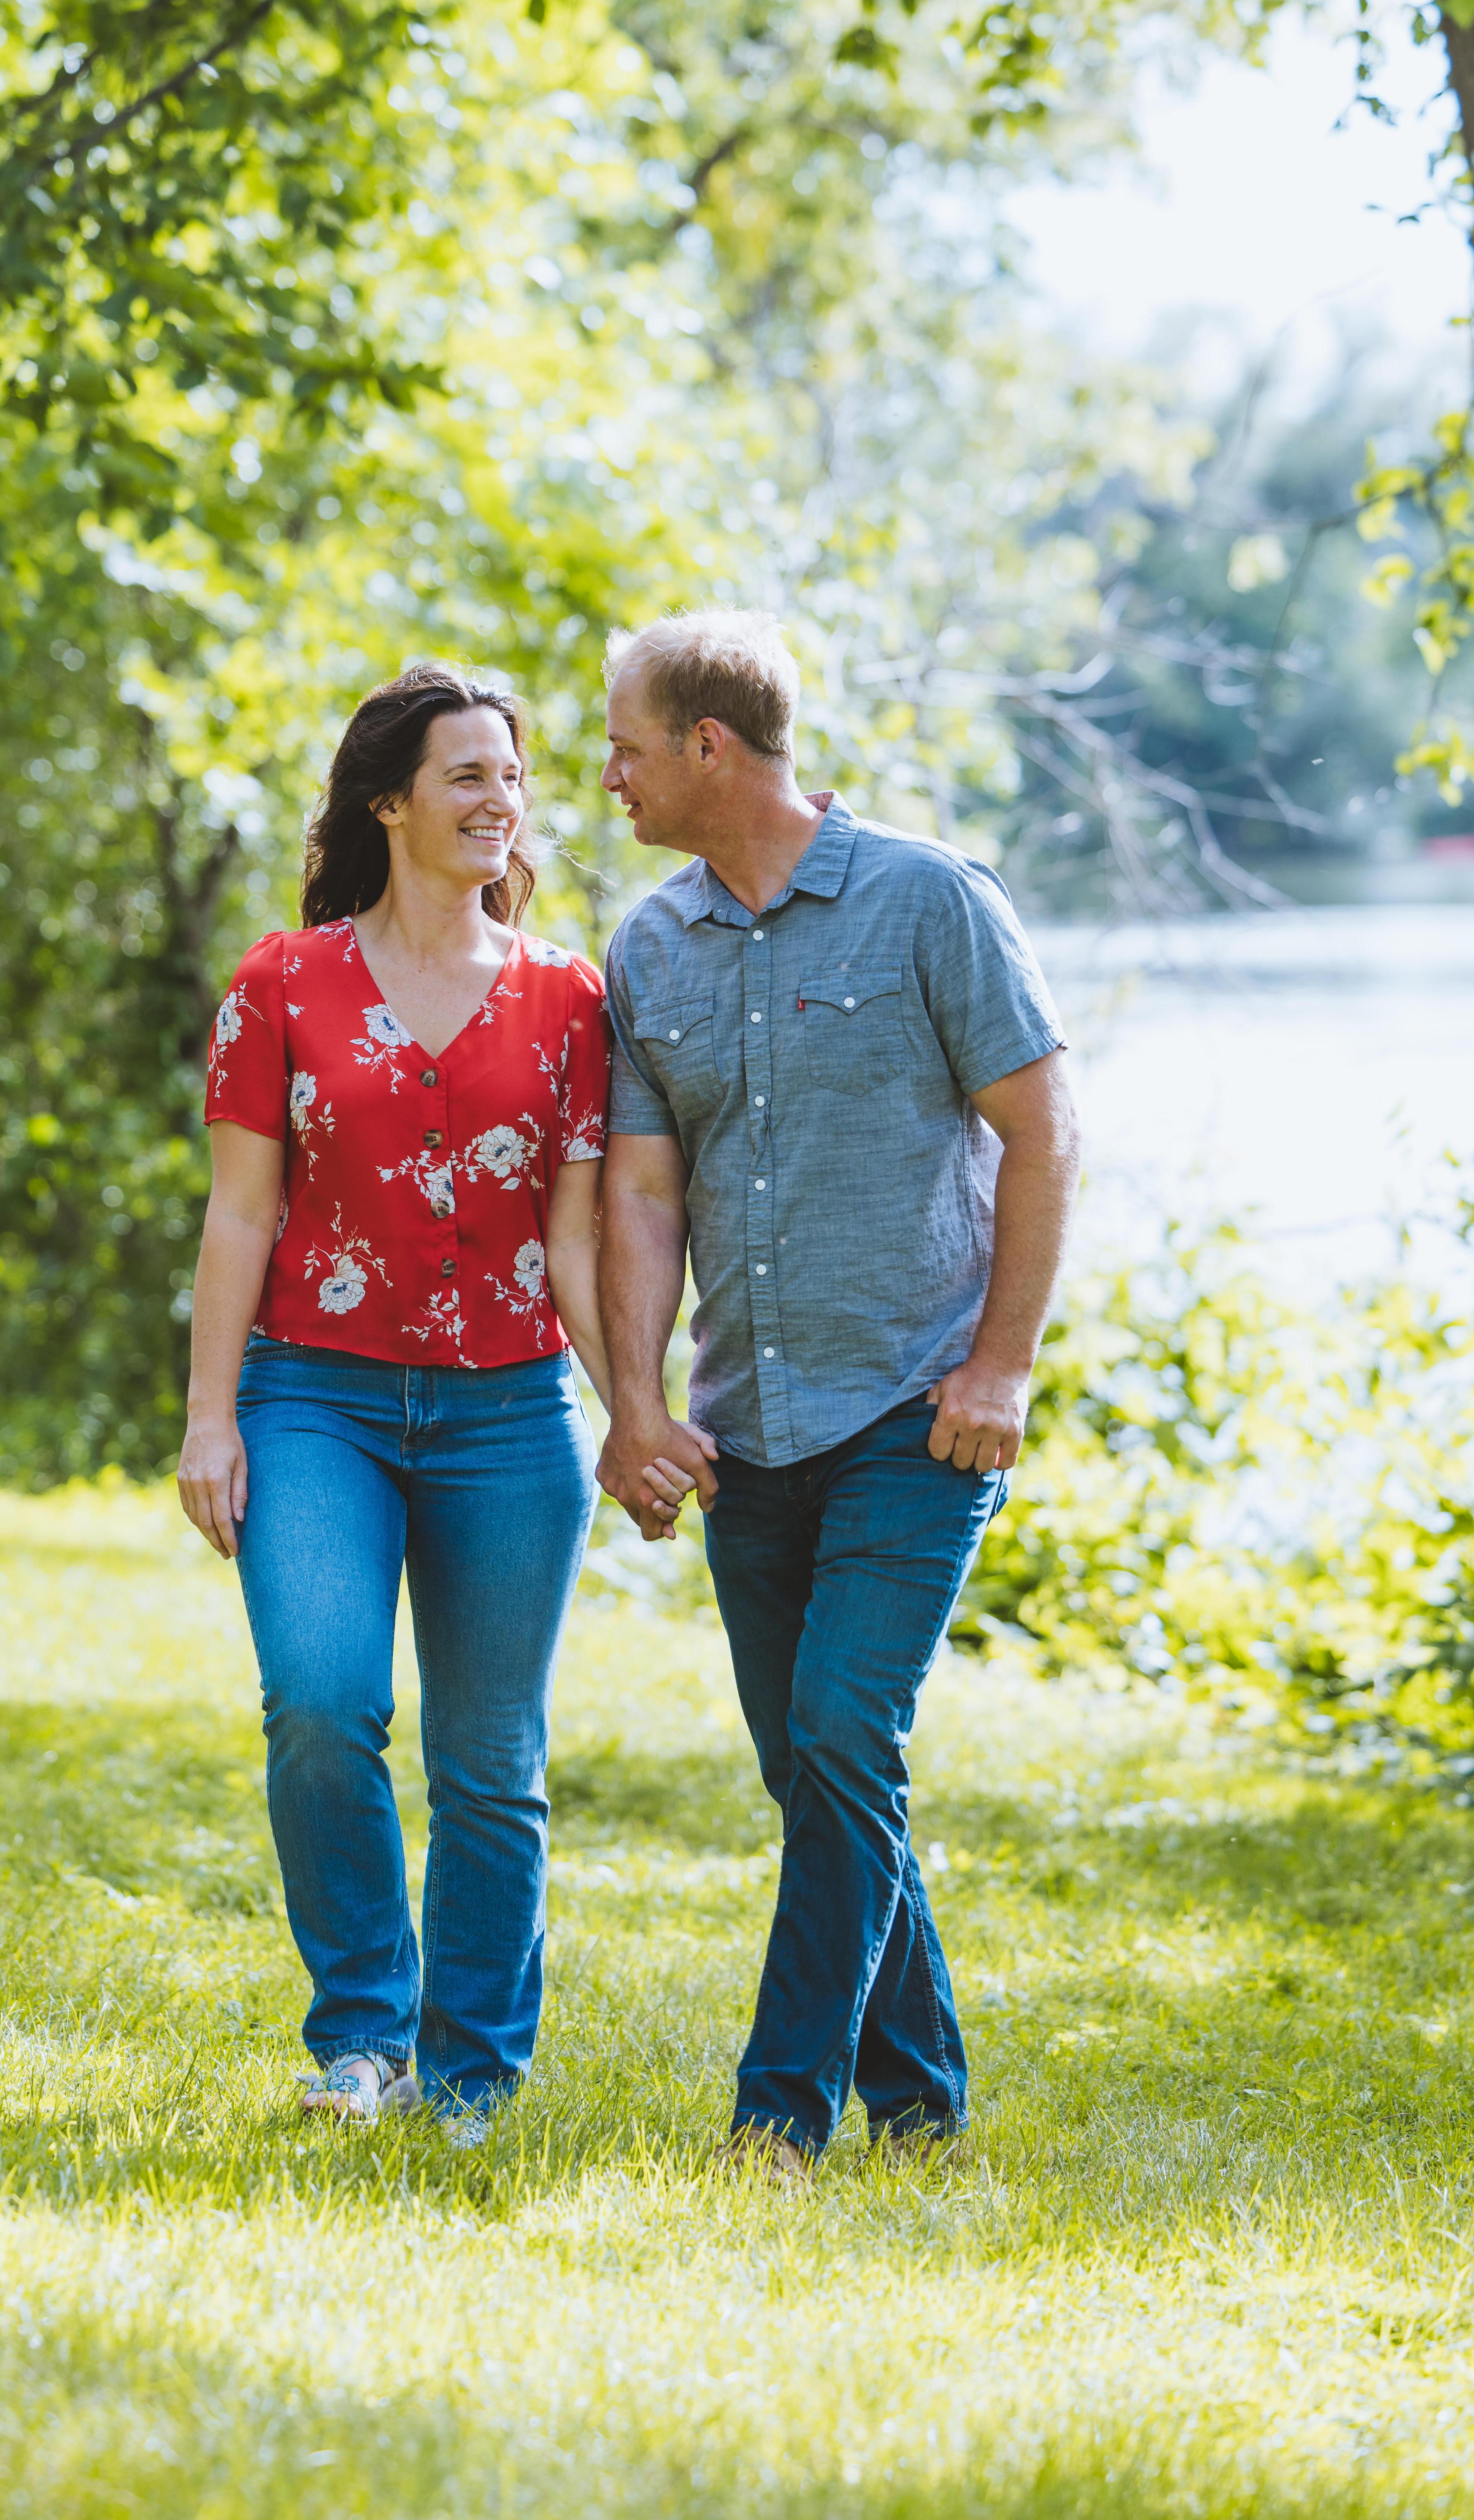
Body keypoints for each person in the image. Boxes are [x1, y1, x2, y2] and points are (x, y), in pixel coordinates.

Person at [592, 609, 1082, 2182]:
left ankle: (776, 2119)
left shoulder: (930, 901)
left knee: (845, 1734)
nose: (607, 773)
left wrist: (1002, 1366)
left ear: (712, 750)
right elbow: (648, 1198)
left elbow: (1046, 1132)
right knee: (817, 1771)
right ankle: (925, 2104)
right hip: (750, 1427)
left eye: (627, 744)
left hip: (914, 1415)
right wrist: (643, 1401)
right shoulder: (649, 947)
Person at [176, 663, 616, 2146]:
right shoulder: (279, 983)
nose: (501, 803)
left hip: (509, 1416)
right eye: (468, 777)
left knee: (492, 1761)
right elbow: (241, 1218)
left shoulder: (570, 997)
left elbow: (573, 1235)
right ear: (392, 802)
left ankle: (474, 2069)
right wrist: (210, 1417)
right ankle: (365, 2034)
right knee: (319, 1705)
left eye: (513, 778)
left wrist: (637, 1410)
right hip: (316, 1401)